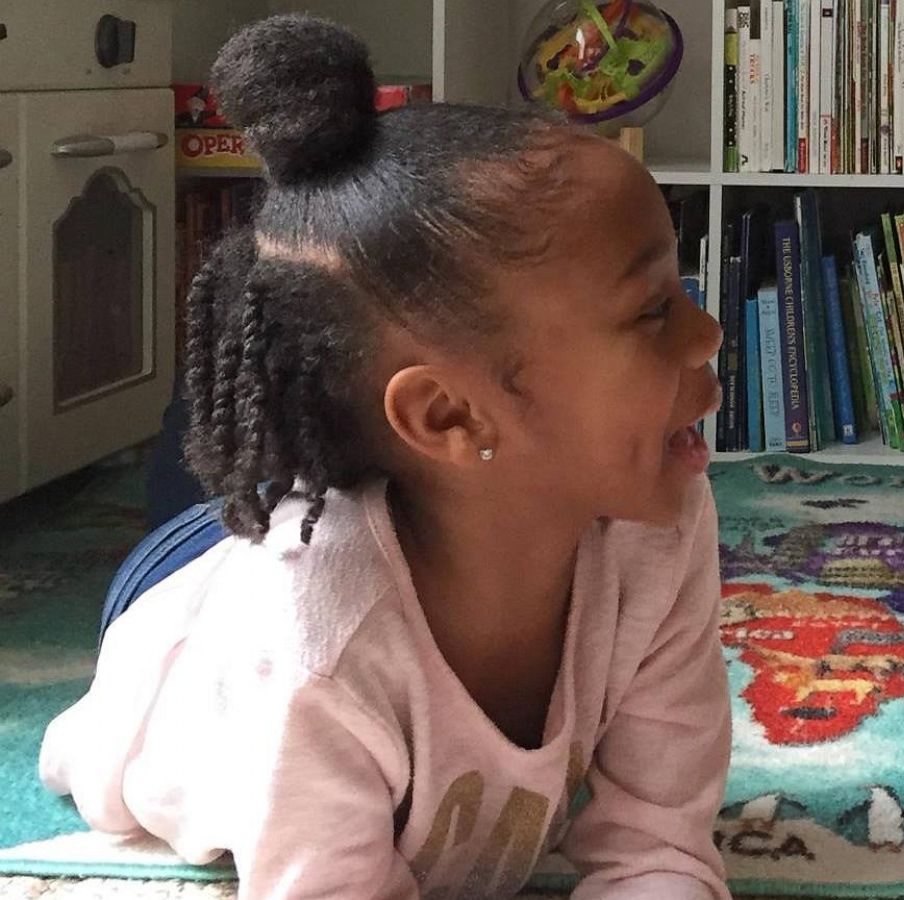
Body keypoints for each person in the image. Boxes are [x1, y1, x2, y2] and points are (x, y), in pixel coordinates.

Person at [40, 14, 731, 899]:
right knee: (112, 747)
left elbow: (661, 849)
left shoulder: (659, 527)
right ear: (447, 413)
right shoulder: (308, 651)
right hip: (195, 616)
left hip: (360, 527)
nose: (708, 332)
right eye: (652, 311)